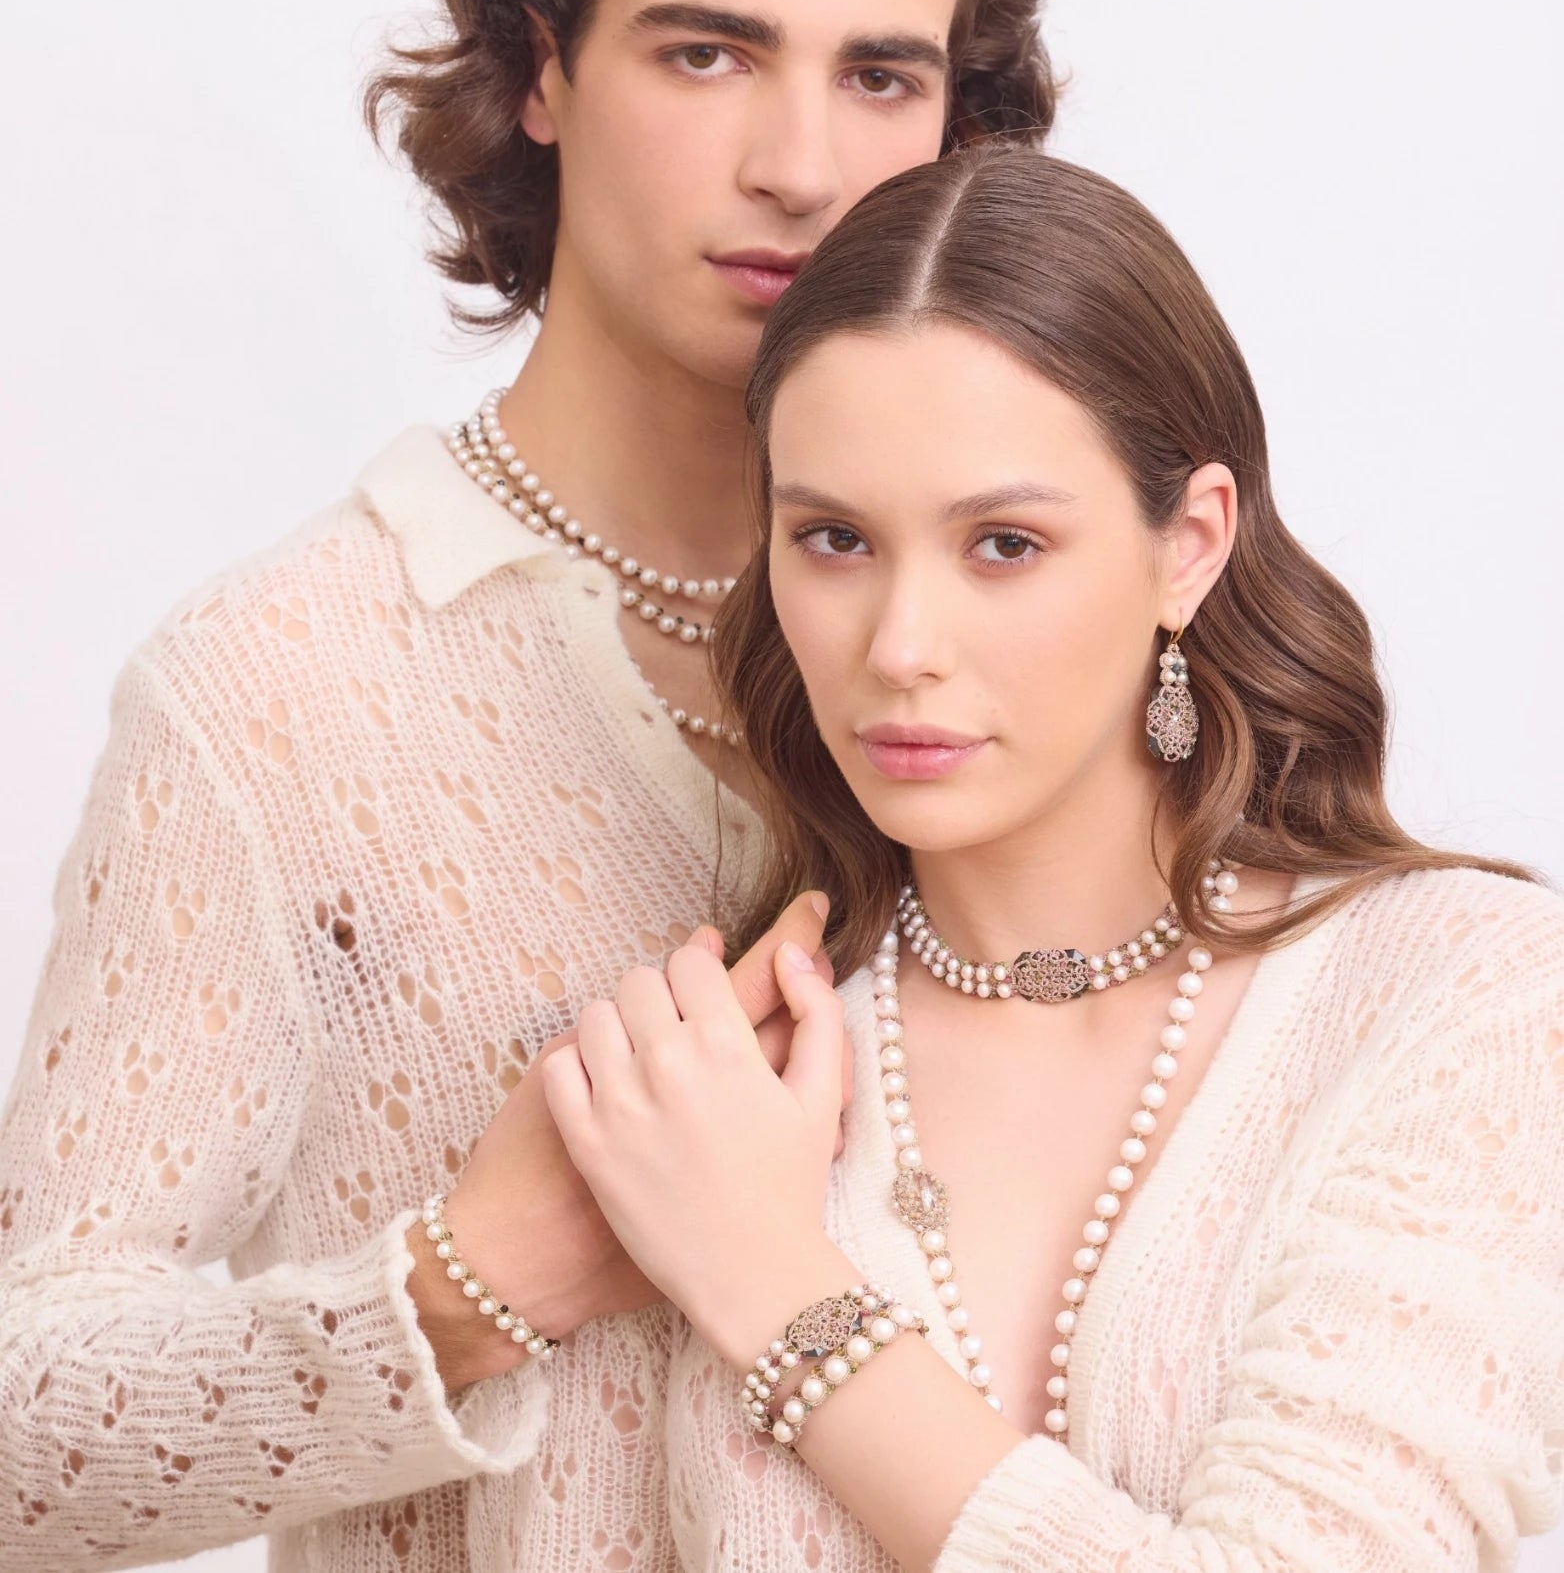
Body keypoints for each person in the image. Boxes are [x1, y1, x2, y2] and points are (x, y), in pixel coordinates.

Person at [0, 0, 1056, 1572]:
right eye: (711, 53)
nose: (803, 165)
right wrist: (462, 1286)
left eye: (882, 78)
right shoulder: (281, 694)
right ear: (543, 66)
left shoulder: (1054, 638)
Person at [538, 146, 1564, 1572]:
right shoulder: (713, 1082)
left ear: (1189, 545)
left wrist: (770, 1286)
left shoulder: (1463, 998)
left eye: (1005, 545)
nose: (900, 646)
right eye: (833, 539)